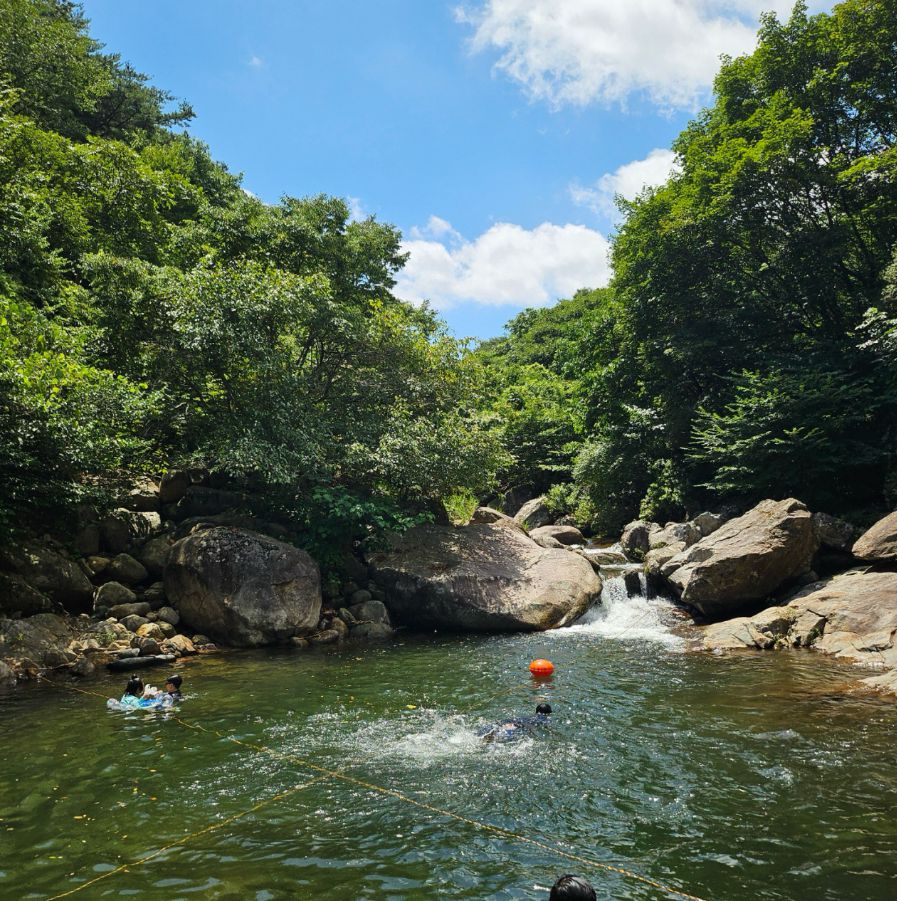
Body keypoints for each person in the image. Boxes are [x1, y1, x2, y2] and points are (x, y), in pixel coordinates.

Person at [479, 703, 552, 742]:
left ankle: (492, 734)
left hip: (515, 721)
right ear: (548, 713)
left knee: (502, 727)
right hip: (521, 725)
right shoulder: (545, 719)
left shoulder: (530, 716)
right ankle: (494, 736)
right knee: (509, 735)